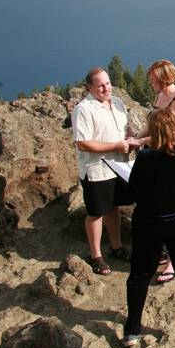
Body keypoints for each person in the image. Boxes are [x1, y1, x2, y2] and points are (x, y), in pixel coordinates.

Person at [122, 106, 175, 347]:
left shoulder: (146, 158)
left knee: (139, 275)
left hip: (149, 224)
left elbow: (133, 192)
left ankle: (132, 329)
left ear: (154, 132)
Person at [72, 67, 137, 275]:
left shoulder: (117, 102)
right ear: (89, 87)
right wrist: (115, 146)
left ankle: (116, 247)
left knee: (114, 207)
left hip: (119, 167)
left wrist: (130, 138)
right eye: (100, 85)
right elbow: (83, 143)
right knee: (96, 212)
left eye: (107, 83)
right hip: (97, 170)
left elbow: (124, 128)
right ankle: (96, 256)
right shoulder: (83, 109)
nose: (105, 88)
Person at [141, 59, 175, 284]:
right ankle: (162, 251)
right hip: (155, 160)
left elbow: (173, 136)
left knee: (173, 212)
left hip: (172, 162)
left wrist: (139, 140)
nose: (150, 80)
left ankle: (173, 260)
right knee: (157, 210)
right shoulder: (160, 96)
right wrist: (136, 135)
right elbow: (152, 124)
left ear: (162, 77)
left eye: (152, 77)